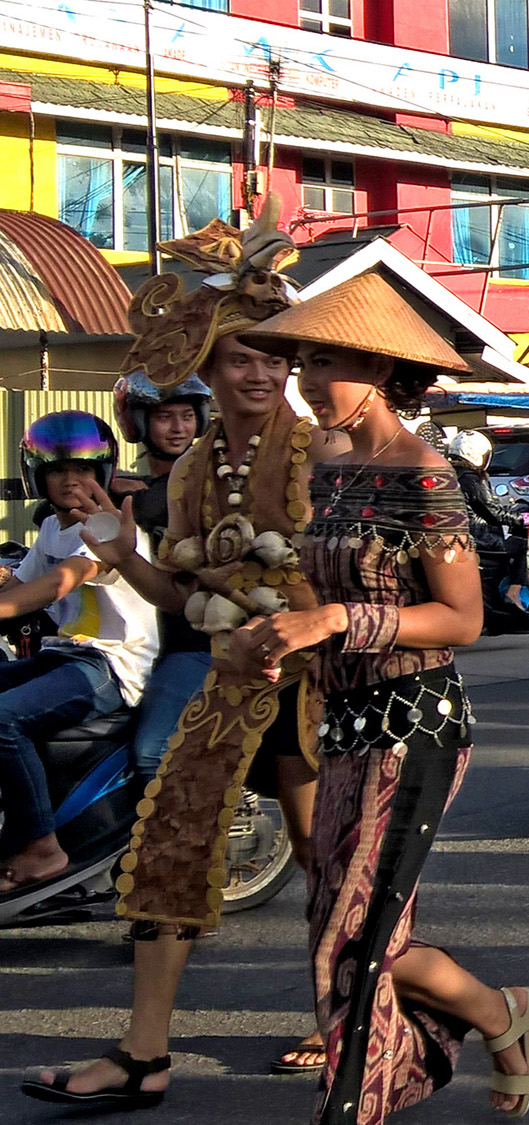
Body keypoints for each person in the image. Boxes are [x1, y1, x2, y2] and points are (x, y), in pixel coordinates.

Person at [23, 211, 332, 1112]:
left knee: (328, 856)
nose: (263, 373)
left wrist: (306, 629)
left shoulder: (322, 456)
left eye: (276, 359)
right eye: (244, 358)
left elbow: (354, 579)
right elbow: (180, 596)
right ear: (211, 367)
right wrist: (121, 554)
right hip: (227, 676)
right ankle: (143, 1053)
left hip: (313, 684)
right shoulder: (192, 474)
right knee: (169, 840)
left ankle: (348, 1011)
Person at [236, 270, 529, 1122]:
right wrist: (285, 639)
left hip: (418, 727)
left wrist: (334, 616)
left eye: (323, 359)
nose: (304, 379)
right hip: (342, 721)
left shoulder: (423, 471)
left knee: (354, 940)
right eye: (301, 360)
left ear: (377, 367)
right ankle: (496, 1012)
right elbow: (318, 594)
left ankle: (359, 1103)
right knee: (346, 926)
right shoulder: (331, 467)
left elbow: (462, 619)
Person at [0, 413, 159, 892]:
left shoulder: (104, 528)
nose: (72, 480)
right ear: (38, 476)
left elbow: (55, 584)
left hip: (112, 664)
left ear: (104, 473)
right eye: (58, 471)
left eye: (84, 470)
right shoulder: (53, 527)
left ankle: (44, 847)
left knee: (3, 719)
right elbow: (20, 582)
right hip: (65, 654)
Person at [107, 373, 216, 783]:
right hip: (138, 640)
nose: (177, 428)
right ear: (138, 422)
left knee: (152, 752)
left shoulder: (207, 485)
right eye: (165, 417)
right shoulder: (135, 490)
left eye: (187, 416)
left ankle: (172, 844)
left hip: (190, 642)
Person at [448, 430, 529, 613]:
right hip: (484, 541)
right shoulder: (471, 478)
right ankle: (514, 592)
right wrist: (526, 519)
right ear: (475, 454)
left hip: (462, 538)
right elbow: (493, 513)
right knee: (523, 546)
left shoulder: (451, 474)